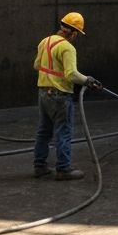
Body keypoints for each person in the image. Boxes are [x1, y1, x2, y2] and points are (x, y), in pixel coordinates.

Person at [33, 11, 102, 180]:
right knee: (63, 132)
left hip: (43, 93)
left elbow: (36, 65)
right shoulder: (67, 47)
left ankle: (40, 166)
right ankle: (64, 169)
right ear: (73, 32)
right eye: (77, 33)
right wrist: (88, 80)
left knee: (44, 132)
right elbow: (71, 74)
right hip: (60, 96)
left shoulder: (45, 41)